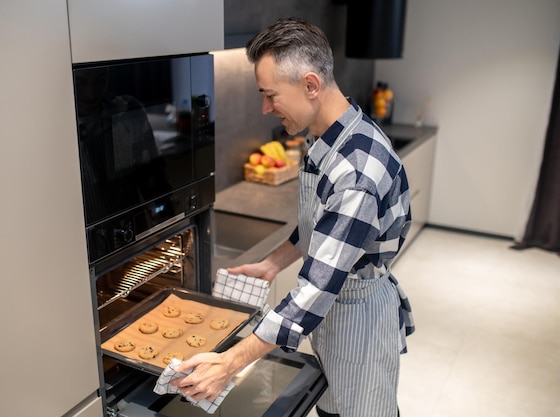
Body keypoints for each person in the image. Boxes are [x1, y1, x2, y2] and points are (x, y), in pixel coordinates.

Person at [171, 17, 414, 417]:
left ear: (311, 85)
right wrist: (273, 263)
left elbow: (316, 289)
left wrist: (231, 362)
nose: (266, 108)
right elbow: (323, 225)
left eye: (270, 95)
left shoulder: (357, 174)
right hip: (335, 311)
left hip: (357, 320)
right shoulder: (325, 132)